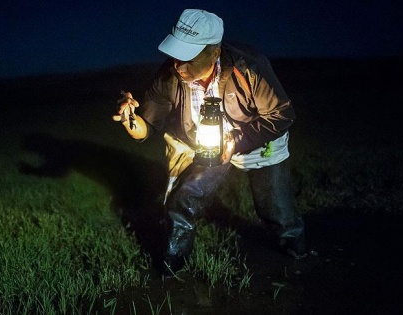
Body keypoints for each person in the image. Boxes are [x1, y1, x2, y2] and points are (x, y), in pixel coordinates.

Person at [113, 9, 306, 273]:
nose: (178, 66)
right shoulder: (171, 74)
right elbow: (146, 129)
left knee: (276, 211)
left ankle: (297, 254)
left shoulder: (249, 67)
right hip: (208, 145)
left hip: (259, 140)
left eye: (188, 58)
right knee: (184, 198)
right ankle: (172, 266)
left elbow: (282, 115)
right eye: (176, 55)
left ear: (214, 52)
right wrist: (129, 120)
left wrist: (236, 140)